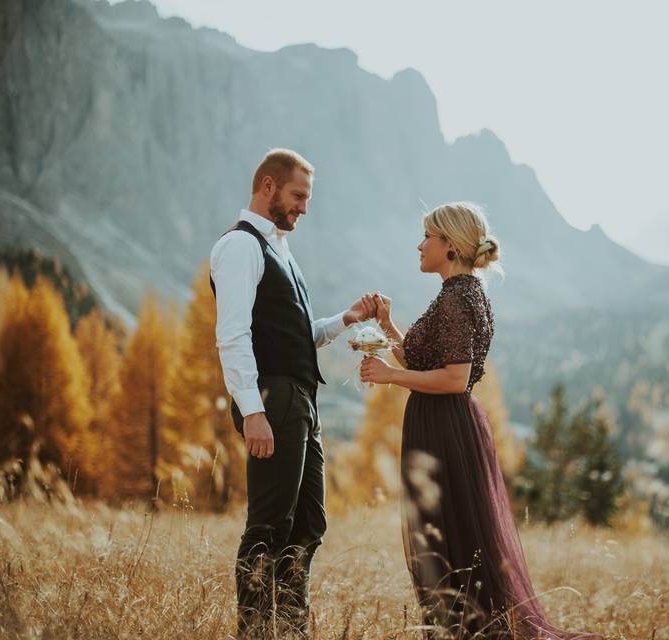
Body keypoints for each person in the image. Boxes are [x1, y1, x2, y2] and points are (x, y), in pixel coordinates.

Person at [360, 202, 603, 639]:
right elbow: (424, 357)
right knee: (453, 541)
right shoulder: (463, 292)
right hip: (446, 425)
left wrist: (391, 376)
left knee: (449, 545)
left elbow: (454, 378)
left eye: (427, 237)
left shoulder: (457, 299)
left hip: (444, 428)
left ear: (449, 245)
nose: (420, 245)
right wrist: (387, 325)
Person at [210, 148, 378, 637]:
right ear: (267, 186)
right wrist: (253, 412)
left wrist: (343, 320)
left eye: (307, 197)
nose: (304, 206)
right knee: (268, 527)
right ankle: (256, 631)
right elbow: (234, 335)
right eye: (297, 195)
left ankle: (291, 627)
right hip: (274, 400)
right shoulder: (241, 247)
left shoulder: (278, 245)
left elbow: (294, 331)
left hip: (301, 401)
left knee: (308, 525)